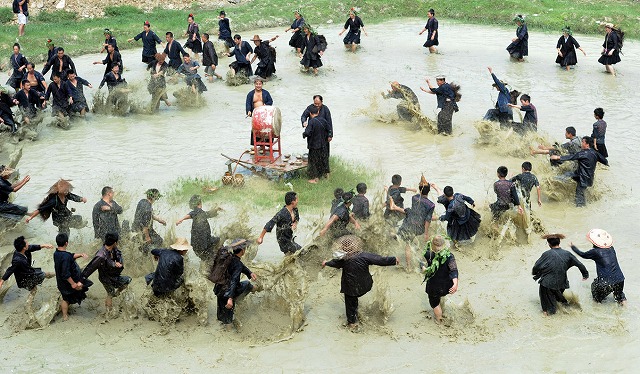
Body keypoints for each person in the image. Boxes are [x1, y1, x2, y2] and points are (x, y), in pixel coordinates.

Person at [322, 235, 398, 328]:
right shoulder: (365, 256)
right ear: (357, 246)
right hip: (365, 286)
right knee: (355, 296)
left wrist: (325, 263)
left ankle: (351, 323)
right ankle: (356, 311)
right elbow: (380, 260)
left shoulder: (342, 260)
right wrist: (393, 260)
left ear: (342, 248)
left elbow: (334, 263)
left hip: (351, 289)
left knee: (350, 302)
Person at [532, 234, 589, 316]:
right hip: (561, 283)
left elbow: (536, 266)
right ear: (559, 242)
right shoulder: (568, 254)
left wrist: (535, 273)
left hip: (547, 284)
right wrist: (585, 274)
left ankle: (548, 317)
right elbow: (580, 264)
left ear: (549, 244)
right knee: (559, 301)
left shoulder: (546, 254)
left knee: (548, 309)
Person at [571, 229, 626, 306]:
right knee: (620, 296)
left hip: (605, 282)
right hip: (620, 279)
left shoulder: (595, 252)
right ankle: (624, 306)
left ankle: (597, 307)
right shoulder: (612, 248)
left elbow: (582, 254)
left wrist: (573, 247)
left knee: (595, 291)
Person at [389, 177, 435, 268]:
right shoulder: (431, 205)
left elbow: (416, 208)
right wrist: (426, 233)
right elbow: (428, 219)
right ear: (429, 191)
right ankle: (420, 263)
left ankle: (409, 267)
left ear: (419, 189)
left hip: (409, 222)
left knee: (408, 244)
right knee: (416, 244)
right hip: (419, 226)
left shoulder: (414, 198)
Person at [550, 136, 608, 207]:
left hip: (583, 179)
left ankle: (581, 209)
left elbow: (571, 157)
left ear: (587, 144)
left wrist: (557, 157)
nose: (581, 143)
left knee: (579, 197)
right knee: (568, 174)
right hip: (583, 176)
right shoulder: (595, 153)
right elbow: (605, 161)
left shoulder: (582, 153)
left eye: (583, 142)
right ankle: (555, 180)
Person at [213, 239, 257, 329]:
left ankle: (223, 333)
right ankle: (229, 335)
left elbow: (240, 265)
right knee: (229, 319)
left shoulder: (227, 257)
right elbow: (234, 280)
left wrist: (249, 273)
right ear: (243, 251)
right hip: (227, 292)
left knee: (222, 317)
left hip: (219, 289)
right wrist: (230, 298)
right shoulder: (237, 264)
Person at [82, 232, 131, 314]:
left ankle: (116, 294)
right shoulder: (101, 255)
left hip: (113, 275)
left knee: (128, 280)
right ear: (115, 242)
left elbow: (116, 258)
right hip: (105, 278)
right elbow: (90, 268)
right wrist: (81, 279)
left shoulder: (113, 249)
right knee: (110, 294)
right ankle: (109, 312)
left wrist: (116, 263)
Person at [53, 233, 92, 321]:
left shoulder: (56, 253)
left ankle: (64, 316)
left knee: (65, 298)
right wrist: (73, 283)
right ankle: (65, 316)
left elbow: (71, 256)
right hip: (67, 282)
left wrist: (81, 255)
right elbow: (66, 273)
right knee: (68, 297)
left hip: (60, 281)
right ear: (66, 243)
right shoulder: (66, 256)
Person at [422, 235, 458, 323]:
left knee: (434, 303)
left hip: (434, 287)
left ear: (432, 245)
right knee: (440, 295)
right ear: (444, 244)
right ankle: (442, 309)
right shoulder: (449, 256)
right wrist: (455, 284)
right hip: (446, 285)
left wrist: (424, 268)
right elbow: (454, 270)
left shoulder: (428, 254)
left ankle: (439, 320)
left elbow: (422, 263)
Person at [175, 194, 221, 264]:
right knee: (219, 240)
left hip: (196, 245)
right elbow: (191, 214)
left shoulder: (201, 214)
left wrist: (216, 209)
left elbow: (208, 213)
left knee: (206, 259)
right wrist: (181, 219)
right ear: (199, 203)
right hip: (204, 244)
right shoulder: (198, 211)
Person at [301, 95, 333, 168]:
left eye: (318, 104)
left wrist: (330, 135)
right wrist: (304, 122)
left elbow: (329, 123)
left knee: (325, 153)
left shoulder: (326, 109)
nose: (317, 106)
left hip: (323, 135)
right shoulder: (310, 108)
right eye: (315, 104)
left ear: (322, 102)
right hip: (313, 135)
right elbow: (303, 116)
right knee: (314, 153)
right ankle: (316, 169)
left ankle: (324, 169)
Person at [133, 188, 166, 253]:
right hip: (144, 231)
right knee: (160, 242)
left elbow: (146, 215)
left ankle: (144, 252)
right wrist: (147, 237)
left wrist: (158, 220)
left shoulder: (142, 201)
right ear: (155, 197)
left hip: (135, 228)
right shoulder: (148, 208)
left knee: (145, 247)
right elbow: (145, 226)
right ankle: (152, 257)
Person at [303, 105, 330, 183]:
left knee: (314, 162)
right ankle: (327, 176)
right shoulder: (323, 120)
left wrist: (304, 134)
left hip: (314, 146)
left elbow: (308, 133)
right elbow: (329, 129)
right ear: (318, 112)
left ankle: (315, 179)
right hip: (323, 145)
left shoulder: (311, 122)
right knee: (324, 160)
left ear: (311, 114)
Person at [245, 78, 273, 144]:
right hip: (255, 115)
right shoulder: (250, 94)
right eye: (256, 84)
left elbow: (271, 101)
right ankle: (256, 145)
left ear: (262, 85)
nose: (258, 85)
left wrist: (266, 105)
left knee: (266, 129)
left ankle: (267, 144)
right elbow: (248, 103)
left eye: (260, 84)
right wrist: (248, 111)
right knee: (255, 129)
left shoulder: (266, 93)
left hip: (265, 114)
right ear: (254, 84)